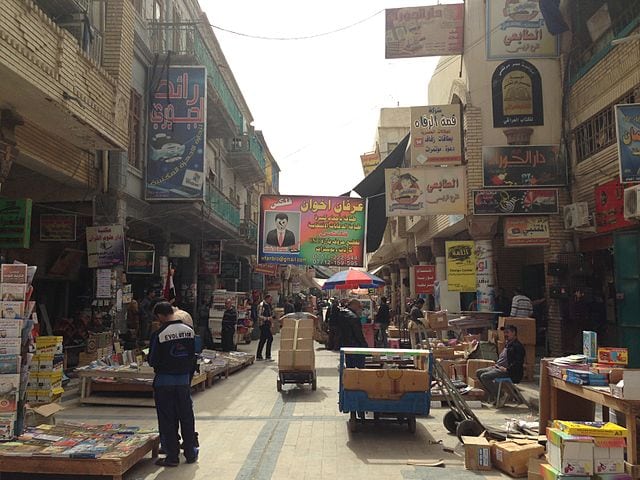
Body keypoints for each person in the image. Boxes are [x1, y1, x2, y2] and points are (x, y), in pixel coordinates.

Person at [148, 301, 198, 467]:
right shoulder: (189, 331)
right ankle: (190, 453)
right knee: (186, 416)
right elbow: (193, 355)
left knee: (168, 419)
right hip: (183, 381)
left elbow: (152, 359)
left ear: (160, 316)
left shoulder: (159, 334)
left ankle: (172, 456)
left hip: (164, 382)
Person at [475, 324, 525, 403]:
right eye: (504, 333)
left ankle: (501, 395)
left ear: (514, 333)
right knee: (478, 372)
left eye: (507, 333)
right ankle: (495, 395)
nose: (505, 335)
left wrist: (507, 369)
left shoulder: (517, 346)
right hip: (498, 367)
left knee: (485, 376)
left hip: (509, 372)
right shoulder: (508, 344)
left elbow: (518, 362)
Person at [339, 299, 368, 368]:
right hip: (356, 346)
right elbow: (358, 334)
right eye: (360, 307)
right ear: (354, 305)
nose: (360, 309)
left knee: (350, 367)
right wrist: (364, 345)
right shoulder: (353, 317)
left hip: (346, 344)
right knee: (359, 368)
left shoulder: (342, 314)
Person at [256, 294, 274, 361]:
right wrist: (267, 318)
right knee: (270, 338)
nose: (270, 300)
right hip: (263, 324)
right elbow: (259, 315)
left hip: (267, 324)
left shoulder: (268, 305)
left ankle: (259, 355)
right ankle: (268, 356)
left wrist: (271, 322)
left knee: (263, 340)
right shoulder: (261, 305)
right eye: (270, 299)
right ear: (266, 298)